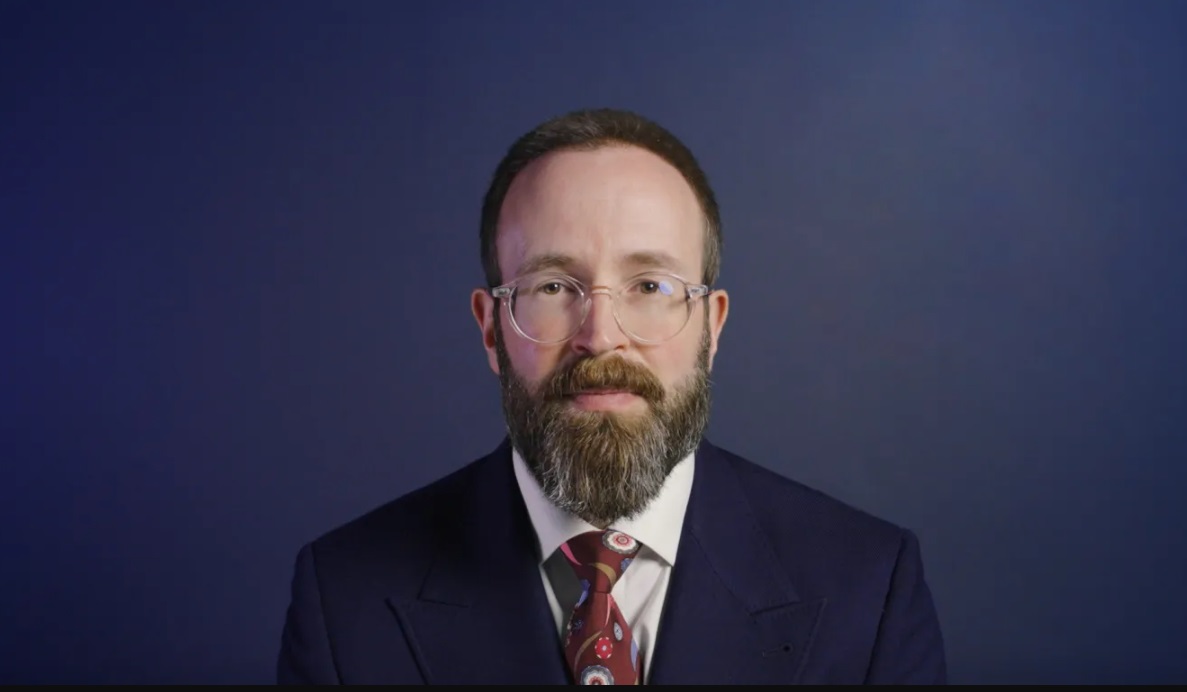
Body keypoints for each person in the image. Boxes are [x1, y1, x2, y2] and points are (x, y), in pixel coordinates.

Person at [275, 108, 947, 685]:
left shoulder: (870, 587)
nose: (600, 338)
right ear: (489, 328)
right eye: (551, 288)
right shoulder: (344, 599)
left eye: (650, 286)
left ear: (711, 327)